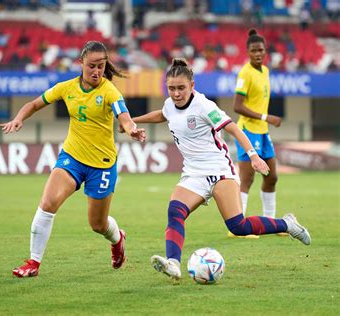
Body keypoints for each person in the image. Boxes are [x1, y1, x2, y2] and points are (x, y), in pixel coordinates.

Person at [127, 58, 310, 281]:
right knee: (175, 212)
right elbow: (162, 114)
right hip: (193, 175)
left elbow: (233, 129)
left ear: (192, 85)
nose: (176, 93)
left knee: (238, 226)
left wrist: (253, 156)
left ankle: (287, 224)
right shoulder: (169, 104)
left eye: (181, 88)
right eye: (172, 88)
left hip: (219, 171)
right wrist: (131, 122)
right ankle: (173, 264)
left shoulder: (205, 106)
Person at [0, 41, 146, 278]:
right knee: (47, 204)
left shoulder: (110, 91)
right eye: (91, 66)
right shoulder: (66, 88)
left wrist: (132, 130)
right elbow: (35, 103)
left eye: (100, 66)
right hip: (72, 158)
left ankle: (118, 239)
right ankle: (33, 263)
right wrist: (19, 118)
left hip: (102, 165)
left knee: (98, 225)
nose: (96, 71)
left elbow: (124, 117)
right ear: (81, 64)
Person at [233, 29, 286, 238]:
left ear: (265, 51)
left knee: (272, 177)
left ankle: (270, 222)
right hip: (248, 130)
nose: (258, 53)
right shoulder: (245, 73)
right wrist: (266, 117)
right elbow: (237, 106)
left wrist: (265, 122)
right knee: (247, 178)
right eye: (254, 50)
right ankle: (237, 227)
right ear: (247, 51)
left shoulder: (265, 71)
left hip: (262, 132)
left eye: (261, 50)